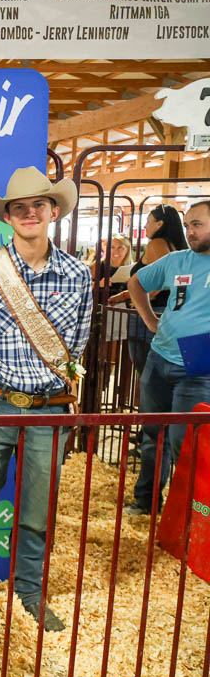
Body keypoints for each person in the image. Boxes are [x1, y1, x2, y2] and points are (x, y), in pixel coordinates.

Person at [0, 166, 91, 633]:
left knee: (38, 506)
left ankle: (30, 591)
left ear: (53, 211)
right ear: (8, 216)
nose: (29, 213)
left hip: (48, 407)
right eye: (20, 207)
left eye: (38, 205)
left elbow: (76, 345)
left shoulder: (77, 275)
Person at [126, 200, 210, 517]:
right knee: (152, 433)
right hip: (160, 354)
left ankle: (188, 514)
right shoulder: (177, 260)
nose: (190, 231)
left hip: (199, 365)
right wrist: (149, 319)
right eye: (187, 225)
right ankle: (146, 501)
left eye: (197, 225)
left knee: (184, 441)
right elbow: (136, 282)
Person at [112, 205, 187, 375]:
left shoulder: (157, 244)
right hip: (169, 311)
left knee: (146, 369)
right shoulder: (179, 246)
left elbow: (157, 283)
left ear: (160, 224)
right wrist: (125, 295)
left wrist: (138, 300)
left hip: (151, 313)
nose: (145, 226)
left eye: (148, 221)